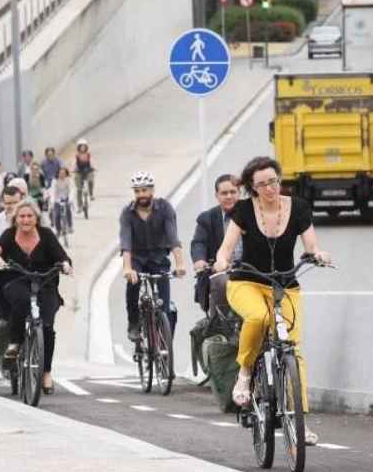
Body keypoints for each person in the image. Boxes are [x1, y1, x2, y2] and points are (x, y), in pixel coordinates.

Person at [214, 157, 331, 446]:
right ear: (253, 189)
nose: (270, 188)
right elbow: (226, 247)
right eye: (262, 184)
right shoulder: (243, 210)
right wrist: (220, 261)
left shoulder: (298, 207)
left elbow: (311, 243)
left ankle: (298, 422)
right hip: (247, 282)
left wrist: (318, 254)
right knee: (258, 318)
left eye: (274, 181)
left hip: (284, 285)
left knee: (293, 349)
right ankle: (244, 373)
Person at [0, 200, 73, 394]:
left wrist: (65, 265)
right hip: (17, 281)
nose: (25, 220)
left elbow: (62, 256)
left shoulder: (47, 235)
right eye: (22, 216)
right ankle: (15, 343)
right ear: (16, 219)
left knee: (48, 327)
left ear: (36, 218)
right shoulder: (9, 235)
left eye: (29, 216)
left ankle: (46, 372)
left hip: (44, 283)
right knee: (22, 301)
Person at [120, 171, 187, 342]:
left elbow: (173, 238)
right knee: (133, 285)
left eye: (144, 190)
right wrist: (127, 268)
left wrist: (180, 264)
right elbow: (126, 242)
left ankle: (164, 340)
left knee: (164, 305)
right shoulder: (127, 213)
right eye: (137, 191)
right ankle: (133, 323)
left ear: (152, 191)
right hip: (136, 259)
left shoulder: (164, 208)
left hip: (158, 258)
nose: (141, 195)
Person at [191, 174, 241, 312]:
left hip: (249, 270)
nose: (229, 196)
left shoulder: (253, 214)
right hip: (221, 271)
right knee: (221, 282)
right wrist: (200, 260)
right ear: (217, 196)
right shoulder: (207, 218)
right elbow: (198, 243)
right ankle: (218, 326)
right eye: (224, 193)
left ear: (239, 193)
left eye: (233, 192)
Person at [47, 166, 75, 234]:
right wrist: (52, 201)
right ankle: (58, 229)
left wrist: (70, 199)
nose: (62, 175)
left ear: (66, 174)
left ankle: (70, 226)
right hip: (57, 200)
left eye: (64, 173)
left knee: (68, 210)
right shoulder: (54, 181)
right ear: (58, 174)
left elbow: (72, 189)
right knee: (57, 215)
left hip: (66, 198)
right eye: (60, 173)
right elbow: (52, 191)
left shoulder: (69, 180)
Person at [74, 138, 95, 211]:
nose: (82, 148)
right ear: (78, 147)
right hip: (79, 171)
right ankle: (80, 206)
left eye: (84, 146)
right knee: (79, 189)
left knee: (91, 179)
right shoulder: (77, 155)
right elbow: (74, 164)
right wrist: (74, 169)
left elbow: (92, 162)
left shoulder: (88, 154)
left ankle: (91, 194)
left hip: (87, 170)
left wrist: (93, 167)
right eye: (81, 146)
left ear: (86, 147)